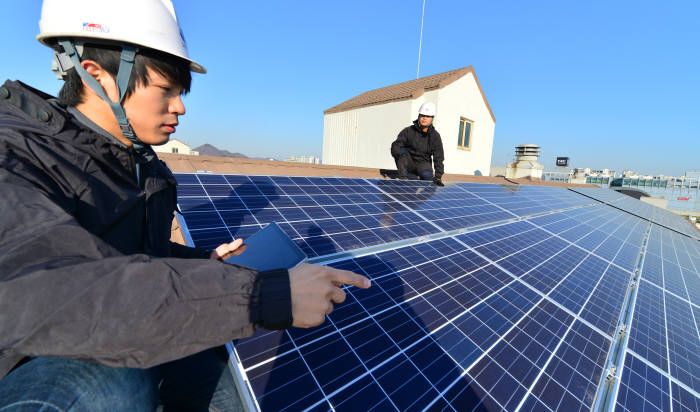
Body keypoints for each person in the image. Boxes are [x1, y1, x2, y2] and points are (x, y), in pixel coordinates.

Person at [0, 0, 370, 410]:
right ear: (97, 76)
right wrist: (264, 296)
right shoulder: (14, 155)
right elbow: (52, 285)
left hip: (129, 334)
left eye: (181, 92)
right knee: (105, 381)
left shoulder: (143, 166)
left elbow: (126, 256)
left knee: (236, 379)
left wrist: (200, 262)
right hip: (29, 364)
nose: (180, 107)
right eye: (166, 90)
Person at [390, 102, 445, 186]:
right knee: (400, 151)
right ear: (419, 116)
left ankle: (415, 177)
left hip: (423, 163)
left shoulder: (435, 136)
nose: (424, 118)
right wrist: (398, 154)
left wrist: (438, 176)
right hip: (409, 162)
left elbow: (439, 156)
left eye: (427, 116)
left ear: (432, 118)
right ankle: (404, 179)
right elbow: (396, 145)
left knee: (427, 176)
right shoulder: (408, 131)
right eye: (422, 115)